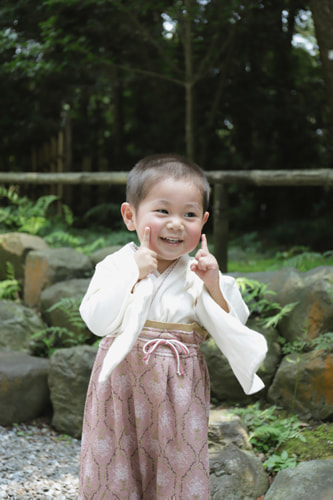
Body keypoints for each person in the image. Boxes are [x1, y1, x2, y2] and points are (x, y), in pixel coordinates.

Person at [78, 154, 267, 499]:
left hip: (179, 387)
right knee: (117, 458)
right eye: (163, 211)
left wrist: (213, 284)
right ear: (130, 216)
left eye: (190, 214)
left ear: (204, 221)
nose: (177, 223)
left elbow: (231, 326)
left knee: (177, 463)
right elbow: (96, 321)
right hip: (121, 384)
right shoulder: (116, 265)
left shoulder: (198, 274)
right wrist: (133, 274)